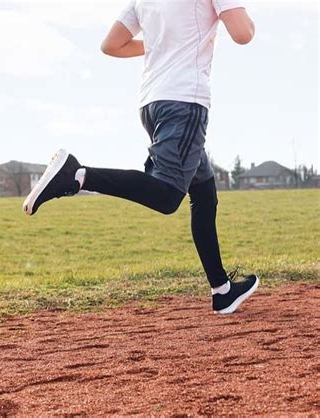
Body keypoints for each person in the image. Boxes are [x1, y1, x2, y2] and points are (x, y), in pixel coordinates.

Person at [23, 0, 259, 314]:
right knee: (167, 195)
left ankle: (222, 290)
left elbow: (112, 44)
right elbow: (243, 33)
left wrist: (165, 45)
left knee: (204, 193)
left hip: (152, 104)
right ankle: (78, 175)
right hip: (185, 101)